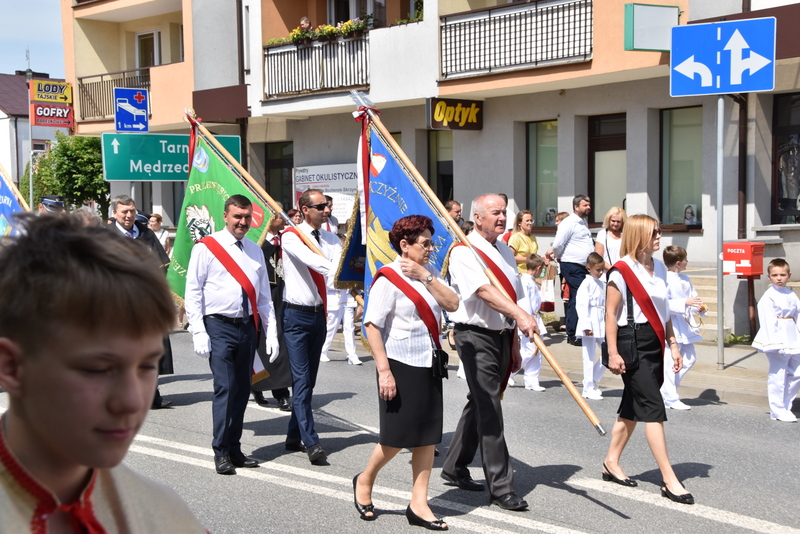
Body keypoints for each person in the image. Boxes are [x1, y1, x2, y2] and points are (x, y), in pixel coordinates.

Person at [0, 214, 206, 532]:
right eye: (97, 369)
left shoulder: (164, 517)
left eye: (148, 365)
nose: (132, 401)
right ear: (11, 366)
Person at [354, 215, 458, 529]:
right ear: (405, 245)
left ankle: (419, 503)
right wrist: (384, 371)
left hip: (428, 361)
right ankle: (365, 480)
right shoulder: (388, 278)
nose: (430, 247)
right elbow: (371, 326)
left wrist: (426, 276)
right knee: (396, 437)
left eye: (430, 242)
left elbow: (452, 304)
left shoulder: (431, 273)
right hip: (398, 364)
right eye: (424, 243)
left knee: (427, 436)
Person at [441, 194, 539, 512]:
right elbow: (484, 293)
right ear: (478, 216)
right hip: (474, 336)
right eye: (495, 212)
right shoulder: (464, 251)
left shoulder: (505, 252)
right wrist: (522, 317)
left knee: (480, 402)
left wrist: (513, 339)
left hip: (501, 334)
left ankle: (454, 466)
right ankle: (501, 486)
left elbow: (514, 296)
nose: (501, 217)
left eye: (504, 212)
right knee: (490, 407)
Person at [602, 214, 694, 505]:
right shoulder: (621, 270)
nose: (659, 237)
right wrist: (613, 352)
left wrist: (674, 344)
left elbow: (663, 311)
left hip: (655, 343)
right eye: (654, 232)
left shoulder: (660, 270)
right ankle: (669, 479)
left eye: (659, 231)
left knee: (632, 406)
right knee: (654, 408)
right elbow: (611, 315)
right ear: (639, 234)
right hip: (632, 344)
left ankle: (611, 461)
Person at [185, 195, 279, 475]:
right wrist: (198, 330)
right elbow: (193, 291)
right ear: (225, 216)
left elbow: (263, 297)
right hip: (218, 325)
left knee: (241, 389)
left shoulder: (255, 250)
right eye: (237, 216)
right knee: (225, 388)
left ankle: (235, 448)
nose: (243, 222)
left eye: (247, 217)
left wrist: (271, 331)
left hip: (247, 326)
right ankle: (221, 450)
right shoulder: (207, 248)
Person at [281, 188, 342, 464]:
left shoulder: (330, 238)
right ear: (305, 209)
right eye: (320, 206)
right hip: (296, 316)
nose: (326, 210)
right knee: (302, 380)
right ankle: (311, 441)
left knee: (309, 381)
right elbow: (316, 263)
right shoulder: (292, 236)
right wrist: (335, 269)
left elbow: (341, 263)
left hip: (319, 315)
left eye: (327, 206)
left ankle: (293, 435)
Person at [110, 195, 174, 410]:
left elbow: (161, 264)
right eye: (124, 212)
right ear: (114, 213)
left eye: (132, 211)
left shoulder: (145, 233)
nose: (129, 216)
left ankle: (151, 394)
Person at [252, 210, 293, 412]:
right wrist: (269, 241)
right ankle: (256, 386)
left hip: (282, 296)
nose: (283, 220)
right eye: (278, 216)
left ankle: (282, 394)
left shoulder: (287, 239)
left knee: (281, 345)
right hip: (263, 297)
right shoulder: (258, 241)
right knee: (260, 345)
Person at [752, 258, 800, 422]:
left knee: (797, 373)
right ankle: (777, 410)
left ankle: (786, 405)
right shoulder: (769, 296)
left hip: (792, 336)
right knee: (778, 375)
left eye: (782, 275)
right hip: (777, 338)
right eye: (775, 275)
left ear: (789, 275)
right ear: (769, 277)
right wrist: (774, 343)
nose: (779, 278)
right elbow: (767, 320)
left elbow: (798, 315)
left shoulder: (791, 294)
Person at [545, 195, 594, 346]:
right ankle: (573, 334)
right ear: (576, 207)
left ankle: (576, 332)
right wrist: (558, 257)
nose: (588, 207)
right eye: (585, 205)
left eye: (589, 205)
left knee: (577, 297)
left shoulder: (582, 222)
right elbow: (559, 243)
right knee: (579, 297)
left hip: (582, 266)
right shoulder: (569, 223)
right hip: (572, 265)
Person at [660, 246, 704, 411]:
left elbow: (693, 298)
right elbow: (662, 304)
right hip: (672, 324)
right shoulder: (665, 279)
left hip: (685, 324)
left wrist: (699, 307)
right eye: (685, 259)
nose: (687, 262)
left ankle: (666, 388)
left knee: (690, 358)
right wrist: (683, 303)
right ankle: (670, 397)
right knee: (671, 361)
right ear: (678, 263)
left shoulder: (685, 278)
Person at [509, 253, 547, 391]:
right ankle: (510, 372)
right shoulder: (525, 281)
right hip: (529, 319)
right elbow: (525, 304)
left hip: (536, 318)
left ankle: (532, 380)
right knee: (529, 349)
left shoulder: (532, 281)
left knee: (537, 352)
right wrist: (529, 320)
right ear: (538, 268)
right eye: (542, 269)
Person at [576, 252, 607, 400]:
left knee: (608, 352)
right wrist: (586, 325)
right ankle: (587, 388)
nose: (601, 272)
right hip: (590, 320)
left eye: (602, 269)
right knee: (588, 355)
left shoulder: (602, 283)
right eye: (598, 270)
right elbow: (581, 305)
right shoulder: (586, 283)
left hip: (601, 320)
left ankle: (593, 379)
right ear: (589, 268)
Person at [320, 285, 361, 365]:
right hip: (335, 297)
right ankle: (322, 351)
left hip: (348, 297)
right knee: (332, 327)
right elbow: (325, 283)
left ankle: (352, 355)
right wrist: (340, 284)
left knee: (350, 328)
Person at [595, 207, 626, 271]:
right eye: (613, 221)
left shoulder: (626, 235)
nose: (615, 224)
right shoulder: (602, 234)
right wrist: (612, 269)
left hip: (622, 273)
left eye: (618, 222)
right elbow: (598, 258)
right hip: (606, 274)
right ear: (608, 220)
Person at [508, 210, 538, 274]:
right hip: (521, 273)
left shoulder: (533, 238)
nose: (530, 223)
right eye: (527, 221)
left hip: (532, 273)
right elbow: (510, 257)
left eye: (531, 220)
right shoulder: (516, 237)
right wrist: (528, 259)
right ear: (519, 223)